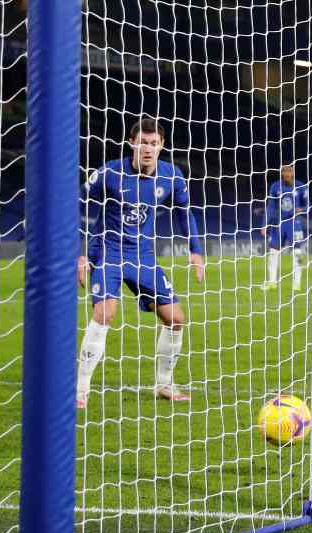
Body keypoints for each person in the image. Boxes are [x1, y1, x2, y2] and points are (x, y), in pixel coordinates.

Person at [76, 118, 204, 408]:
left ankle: (164, 384)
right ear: (132, 143)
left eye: (154, 143)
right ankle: (80, 390)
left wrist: (195, 250)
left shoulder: (171, 176)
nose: (148, 148)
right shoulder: (109, 173)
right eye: (143, 142)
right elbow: (77, 203)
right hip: (108, 251)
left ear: (162, 146)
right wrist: (79, 253)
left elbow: (185, 213)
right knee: (105, 313)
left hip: (143, 255)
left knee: (176, 318)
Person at [261, 165, 308, 290]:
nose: (287, 174)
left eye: (289, 171)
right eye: (284, 171)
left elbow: (308, 206)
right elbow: (270, 207)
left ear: (293, 173)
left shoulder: (301, 186)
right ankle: (272, 282)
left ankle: (296, 284)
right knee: (273, 252)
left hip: (294, 223)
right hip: (278, 224)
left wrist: (301, 209)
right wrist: (264, 224)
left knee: (297, 253)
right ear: (281, 173)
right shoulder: (275, 187)